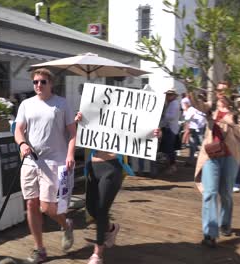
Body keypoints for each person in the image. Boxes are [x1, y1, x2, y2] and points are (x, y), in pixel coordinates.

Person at [75, 111, 160, 264]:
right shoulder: (96, 114)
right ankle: (111, 229)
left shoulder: (122, 117)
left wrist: (153, 134)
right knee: (92, 209)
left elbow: (138, 132)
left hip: (112, 167)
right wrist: (80, 121)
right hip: (94, 166)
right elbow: (81, 133)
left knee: (101, 210)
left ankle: (98, 253)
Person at [14, 68, 76, 263]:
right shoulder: (26, 104)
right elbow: (18, 130)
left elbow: (73, 133)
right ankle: (39, 249)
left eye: (42, 82)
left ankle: (66, 225)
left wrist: (70, 154)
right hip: (31, 161)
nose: (38, 85)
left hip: (54, 161)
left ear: (51, 84)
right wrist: (22, 144)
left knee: (48, 207)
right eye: (35, 82)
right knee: (31, 204)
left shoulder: (61, 104)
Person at [189, 81, 240, 248]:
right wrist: (189, 88)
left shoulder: (239, 111)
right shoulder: (211, 108)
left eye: (225, 90)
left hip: (231, 156)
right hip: (211, 155)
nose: (222, 93)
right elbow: (196, 103)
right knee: (210, 193)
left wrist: (232, 123)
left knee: (226, 194)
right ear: (216, 92)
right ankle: (210, 233)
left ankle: (225, 224)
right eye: (219, 90)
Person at [159, 88, 181, 174]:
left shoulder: (174, 104)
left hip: (170, 129)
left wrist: (163, 114)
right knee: (168, 149)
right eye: (167, 94)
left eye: (169, 95)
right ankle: (170, 165)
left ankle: (172, 166)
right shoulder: (171, 103)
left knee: (169, 149)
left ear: (173, 96)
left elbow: (170, 117)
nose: (167, 96)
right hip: (169, 128)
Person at [182, 100, 206, 166]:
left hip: (200, 129)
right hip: (193, 129)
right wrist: (191, 117)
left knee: (202, 145)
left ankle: (204, 161)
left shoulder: (199, 110)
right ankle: (191, 161)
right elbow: (186, 118)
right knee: (192, 145)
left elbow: (205, 115)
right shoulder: (191, 110)